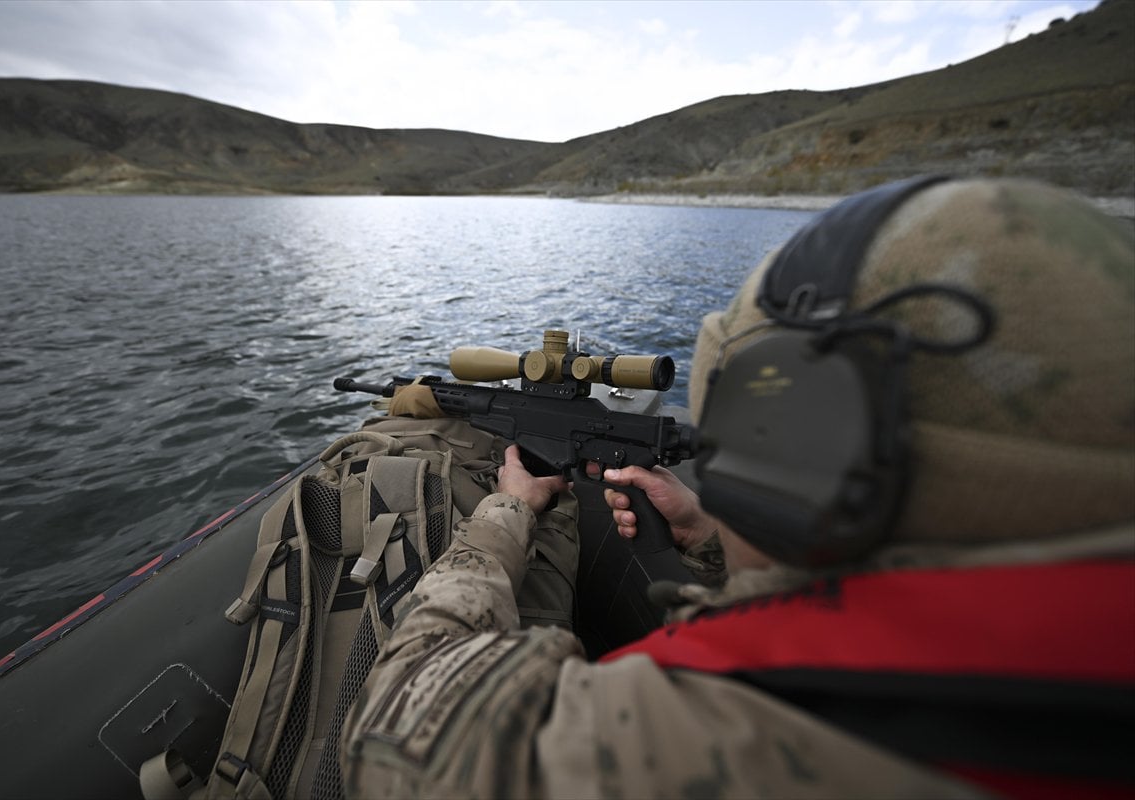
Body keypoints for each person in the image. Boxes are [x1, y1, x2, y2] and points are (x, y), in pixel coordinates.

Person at [340, 177, 1135, 799]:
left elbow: (396, 735)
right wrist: (715, 542)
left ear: (803, 458)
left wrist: (508, 510)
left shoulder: (737, 737)